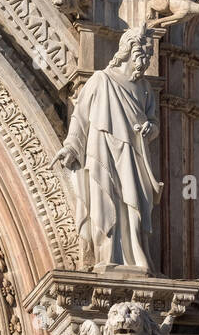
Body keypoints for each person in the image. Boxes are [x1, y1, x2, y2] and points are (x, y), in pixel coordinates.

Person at [56, 24, 162, 272]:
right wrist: (71, 147)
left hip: (133, 154)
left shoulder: (145, 88)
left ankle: (135, 258)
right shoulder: (101, 80)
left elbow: (153, 121)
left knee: (134, 203)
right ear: (127, 51)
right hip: (102, 150)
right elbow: (80, 117)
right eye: (141, 55)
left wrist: (151, 129)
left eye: (148, 57)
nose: (145, 61)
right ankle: (109, 255)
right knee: (105, 202)